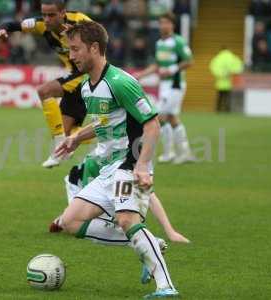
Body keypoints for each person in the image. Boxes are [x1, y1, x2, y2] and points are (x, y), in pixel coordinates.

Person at [55, 20, 179, 298]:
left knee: (126, 219)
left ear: (94, 48)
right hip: (108, 167)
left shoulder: (121, 82)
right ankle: (149, 244)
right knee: (69, 221)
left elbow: (152, 124)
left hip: (129, 163)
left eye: (75, 49)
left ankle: (166, 287)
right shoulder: (88, 87)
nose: (71, 56)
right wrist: (77, 137)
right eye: (69, 50)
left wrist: (143, 165)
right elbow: (103, 123)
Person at [0, 0, 92, 168]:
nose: (47, 19)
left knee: (44, 91)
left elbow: (102, 40)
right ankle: (114, 131)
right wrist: (3, 30)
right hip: (73, 76)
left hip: (88, 74)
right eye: (44, 14)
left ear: (63, 13)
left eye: (51, 15)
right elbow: (12, 25)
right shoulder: (40, 25)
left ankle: (58, 147)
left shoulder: (80, 22)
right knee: (67, 132)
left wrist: (80, 38)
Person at [50, 150, 190, 244]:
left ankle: (144, 241)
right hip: (78, 184)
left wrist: (170, 232)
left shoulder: (131, 159)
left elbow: (150, 196)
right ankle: (62, 219)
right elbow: (90, 196)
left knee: (123, 218)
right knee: (79, 222)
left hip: (107, 184)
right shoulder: (98, 162)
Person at [136, 12, 194, 164]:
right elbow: (157, 65)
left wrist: (172, 69)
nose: (163, 25)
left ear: (172, 25)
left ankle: (177, 152)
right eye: (161, 23)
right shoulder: (159, 43)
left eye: (166, 23)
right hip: (164, 85)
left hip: (175, 84)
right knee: (171, 118)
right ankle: (174, 153)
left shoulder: (178, 42)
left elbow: (189, 61)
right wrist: (141, 75)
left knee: (161, 116)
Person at [209, 46, 243, 112]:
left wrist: (222, 74)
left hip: (220, 83)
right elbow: (239, 68)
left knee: (220, 98)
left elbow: (213, 68)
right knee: (228, 98)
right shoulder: (233, 57)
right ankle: (228, 110)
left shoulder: (217, 58)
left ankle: (218, 110)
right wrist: (230, 72)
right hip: (230, 83)